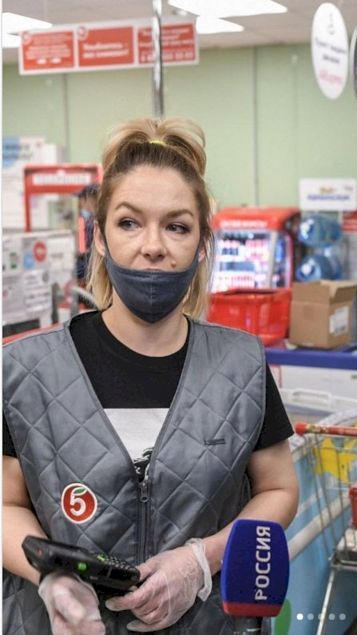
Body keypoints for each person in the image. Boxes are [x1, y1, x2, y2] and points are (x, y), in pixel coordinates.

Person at [3, 117, 299, 634]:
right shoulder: (25, 369)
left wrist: (200, 561)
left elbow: (279, 490)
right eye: (129, 223)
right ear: (99, 237)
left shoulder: (242, 365)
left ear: (202, 244)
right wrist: (49, 578)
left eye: (177, 226)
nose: (153, 245)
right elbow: (5, 503)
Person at [75, 183, 99, 283]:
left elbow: (81, 249)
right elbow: (81, 249)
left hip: (89, 268)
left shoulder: (89, 220)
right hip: (84, 268)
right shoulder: (82, 220)